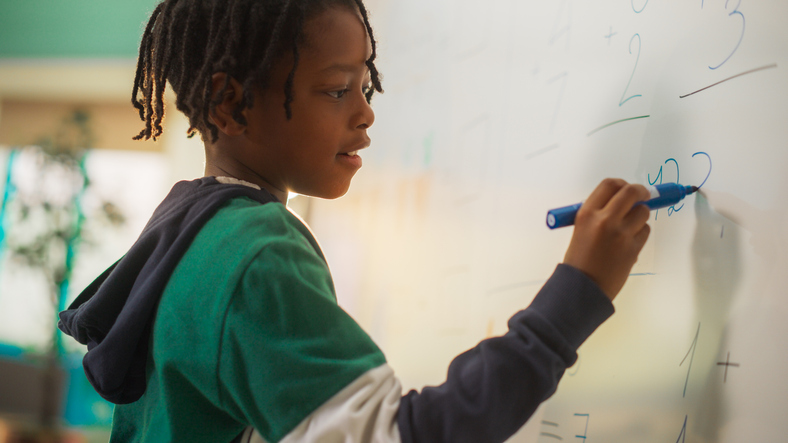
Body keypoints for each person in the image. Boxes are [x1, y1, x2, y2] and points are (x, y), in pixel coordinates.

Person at [58, 1, 652, 442]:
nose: (366, 113)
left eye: (365, 86)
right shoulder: (255, 253)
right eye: (338, 90)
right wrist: (579, 292)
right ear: (232, 103)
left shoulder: (190, 228)